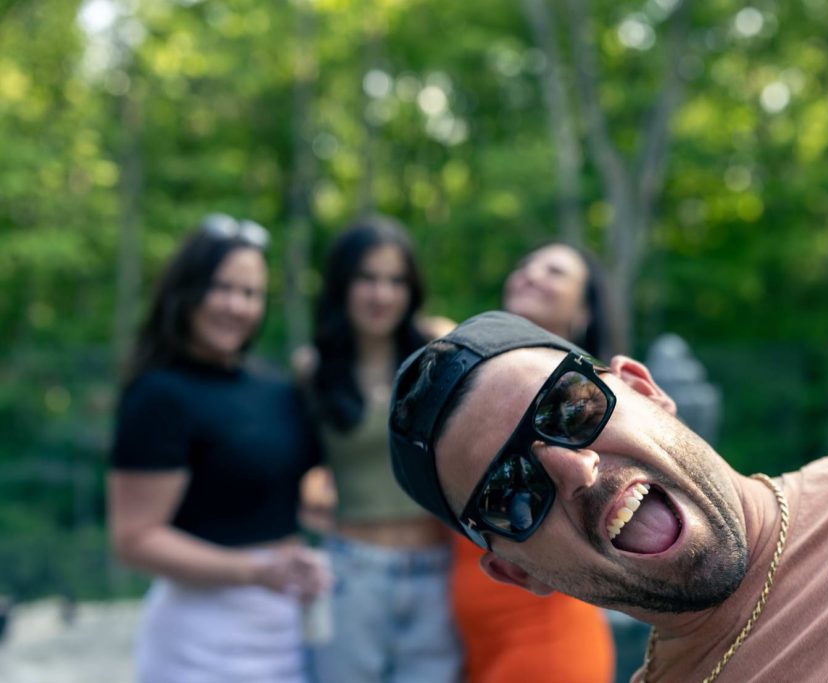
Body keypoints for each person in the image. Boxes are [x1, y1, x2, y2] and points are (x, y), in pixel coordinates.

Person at [389, 311, 828, 682]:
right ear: (517, 573)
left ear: (645, 388)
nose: (573, 469)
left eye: (570, 408)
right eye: (511, 493)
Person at [108, 214, 330, 683]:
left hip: (285, 629)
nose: (236, 305)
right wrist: (255, 570)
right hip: (199, 639)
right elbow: (134, 539)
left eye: (250, 293)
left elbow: (294, 497)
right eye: (221, 288)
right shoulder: (159, 396)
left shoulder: (276, 390)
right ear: (186, 291)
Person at [301, 215, 460, 683]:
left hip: (437, 572)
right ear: (342, 285)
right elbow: (295, 464)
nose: (381, 294)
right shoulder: (313, 368)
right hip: (351, 572)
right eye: (367, 279)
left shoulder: (439, 349)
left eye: (395, 281)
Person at [450, 242, 618, 683]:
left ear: (583, 311)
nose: (531, 274)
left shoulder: (594, 403)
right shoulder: (469, 387)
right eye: (525, 265)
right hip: (473, 645)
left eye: (555, 271)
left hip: (548, 641)